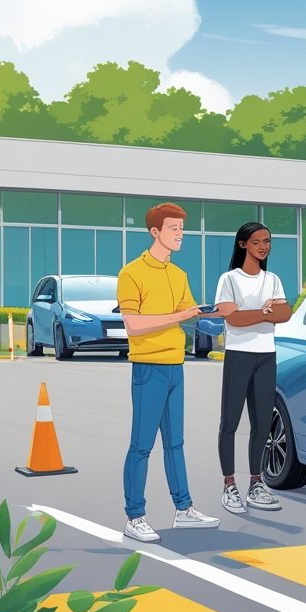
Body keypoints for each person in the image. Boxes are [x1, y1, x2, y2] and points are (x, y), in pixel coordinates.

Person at [117, 202, 220, 542]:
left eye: (182, 229)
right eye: (174, 229)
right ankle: (135, 516)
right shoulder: (131, 273)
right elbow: (133, 324)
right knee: (142, 445)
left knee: (176, 443)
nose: (180, 235)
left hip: (176, 367)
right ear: (155, 232)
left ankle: (184, 509)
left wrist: (226, 317)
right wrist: (179, 316)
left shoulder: (179, 275)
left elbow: (190, 313)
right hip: (149, 368)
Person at [213, 222, 293, 515]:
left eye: (268, 241)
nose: (264, 246)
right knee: (230, 422)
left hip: (266, 356)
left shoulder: (272, 279)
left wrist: (260, 314)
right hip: (238, 356)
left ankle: (256, 484)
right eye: (257, 241)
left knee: (262, 423)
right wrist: (264, 312)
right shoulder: (229, 279)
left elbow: (286, 313)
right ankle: (229, 485)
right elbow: (232, 318)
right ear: (243, 244)